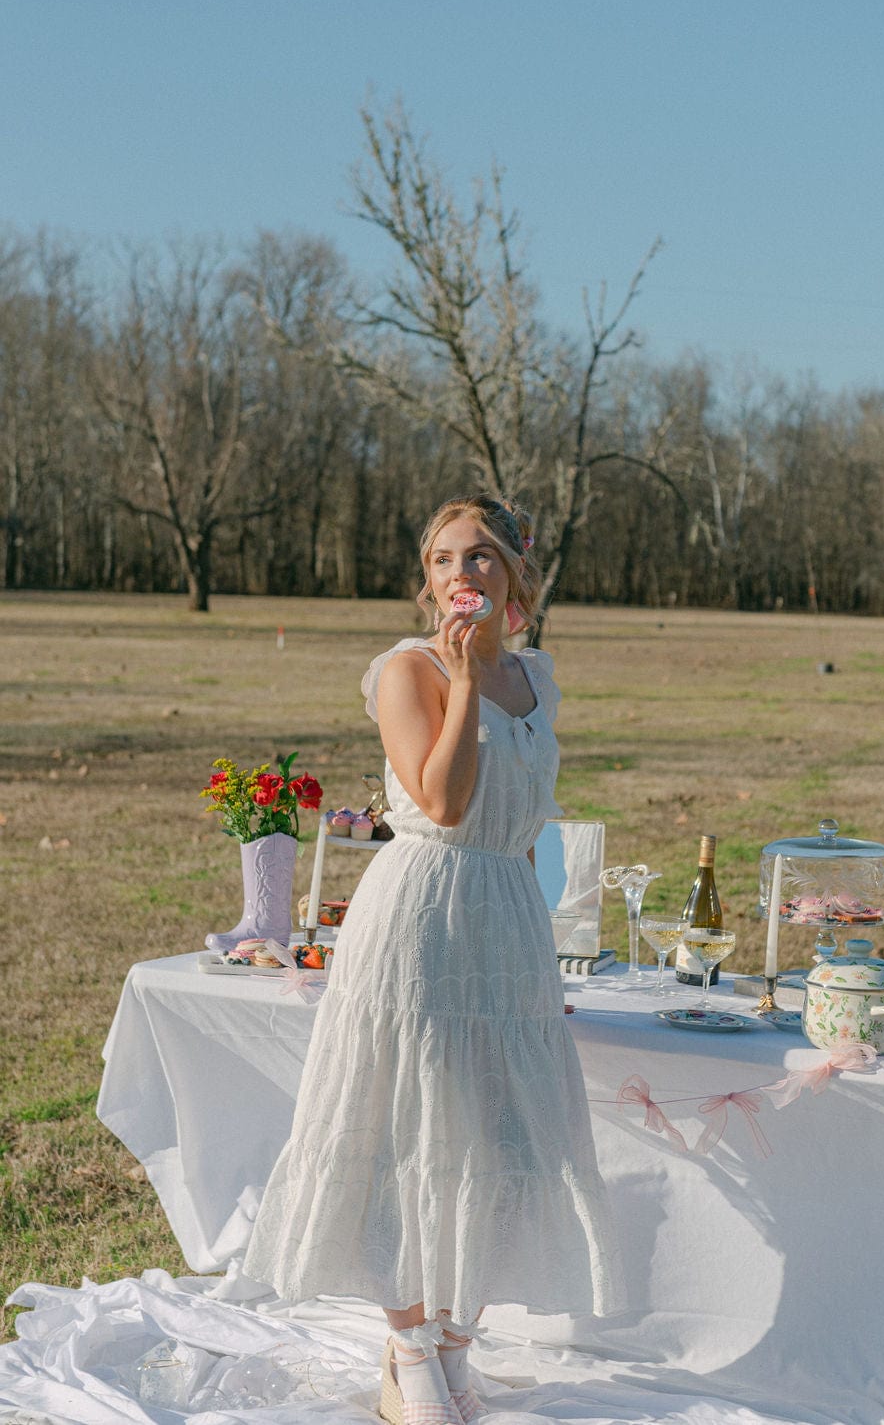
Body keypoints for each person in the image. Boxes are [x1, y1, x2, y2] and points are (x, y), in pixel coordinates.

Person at [244, 495, 624, 1425]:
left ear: (515, 580)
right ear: (429, 582)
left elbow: (524, 819)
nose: (464, 574)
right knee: (405, 1128)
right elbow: (445, 803)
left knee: (497, 1133)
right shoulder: (405, 672)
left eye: (484, 557)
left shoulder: (538, 678)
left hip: (506, 915)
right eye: (447, 559)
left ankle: (457, 1342)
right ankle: (406, 1348)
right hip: (420, 913)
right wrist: (459, 685)